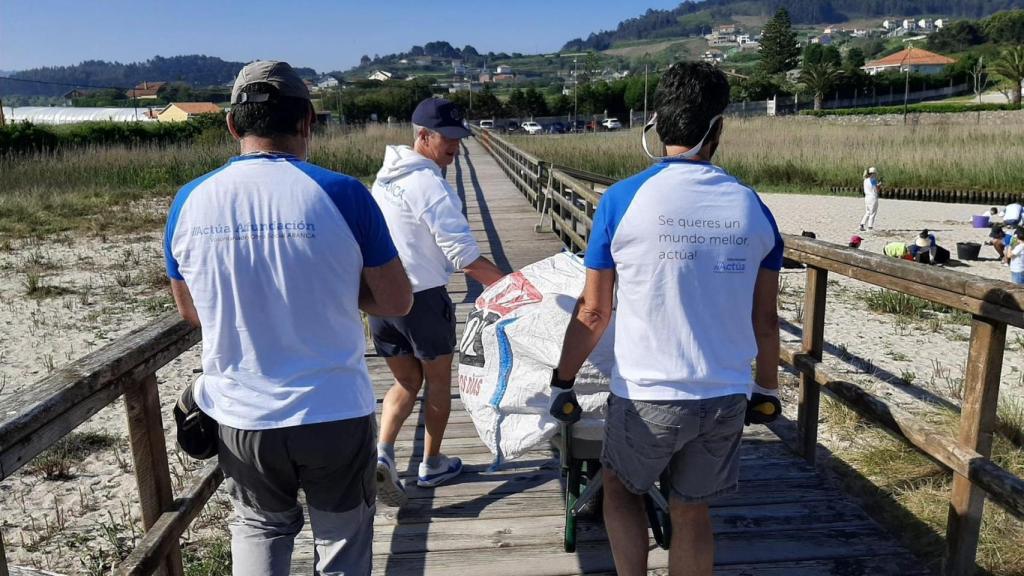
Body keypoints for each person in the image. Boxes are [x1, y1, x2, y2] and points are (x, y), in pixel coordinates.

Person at [164, 60, 413, 576]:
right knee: (342, 543)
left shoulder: (189, 201)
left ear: (233, 125)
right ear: (307, 123)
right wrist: (336, 288)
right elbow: (395, 302)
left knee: (258, 529)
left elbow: (192, 311)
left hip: (241, 411)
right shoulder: (343, 194)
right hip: (332, 409)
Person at [548, 62, 783, 576]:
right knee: (692, 507)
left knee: (619, 485)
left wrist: (563, 380)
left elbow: (593, 310)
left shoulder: (622, 200)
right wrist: (767, 390)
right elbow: (765, 320)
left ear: (655, 125)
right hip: (724, 393)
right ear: (718, 128)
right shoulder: (753, 208)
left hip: (647, 392)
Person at [370, 97, 506, 507]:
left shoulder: (384, 178)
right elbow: (463, 256)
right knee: (438, 386)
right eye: (448, 139)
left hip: (380, 303)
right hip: (423, 300)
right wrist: (515, 287)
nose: (456, 146)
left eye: (459, 138)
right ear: (423, 136)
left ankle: (382, 454)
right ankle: (431, 463)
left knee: (405, 382)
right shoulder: (429, 184)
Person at [859, 167, 880, 231]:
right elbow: (876, 189)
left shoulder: (865, 180)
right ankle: (870, 226)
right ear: (873, 173)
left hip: (867, 197)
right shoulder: (873, 180)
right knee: (873, 212)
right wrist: (879, 185)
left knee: (867, 212)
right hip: (872, 197)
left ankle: (862, 224)